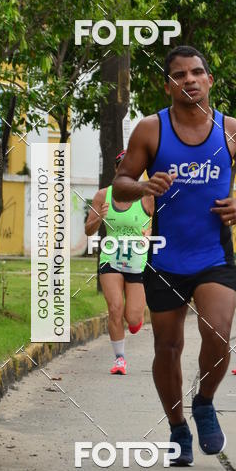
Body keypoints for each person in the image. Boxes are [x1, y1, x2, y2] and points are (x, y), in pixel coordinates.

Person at [113, 45, 236, 466]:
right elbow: (120, 182)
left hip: (213, 253)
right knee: (168, 346)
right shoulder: (150, 130)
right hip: (165, 258)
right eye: (180, 75)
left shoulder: (231, 130)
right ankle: (178, 428)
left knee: (218, 332)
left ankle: (204, 402)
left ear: (210, 80)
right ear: (169, 85)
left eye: (197, 72)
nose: (190, 79)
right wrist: (145, 187)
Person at [85, 151, 154, 375]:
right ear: (116, 170)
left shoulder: (147, 196)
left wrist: (149, 232)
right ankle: (120, 359)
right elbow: (88, 230)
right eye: (121, 165)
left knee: (133, 317)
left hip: (137, 261)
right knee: (115, 308)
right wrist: (99, 217)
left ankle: (134, 321)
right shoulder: (103, 195)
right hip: (110, 259)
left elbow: (159, 224)